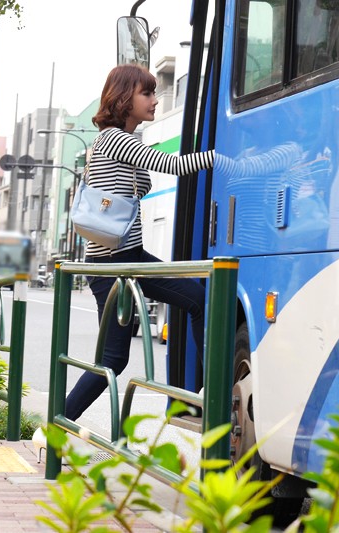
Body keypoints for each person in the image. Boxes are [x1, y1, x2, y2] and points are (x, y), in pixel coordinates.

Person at [64, 64, 216, 421]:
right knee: (113, 360)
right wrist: (220, 158)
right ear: (123, 98)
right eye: (146, 93)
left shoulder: (118, 141)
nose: (155, 100)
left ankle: (198, 394)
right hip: (114, 264)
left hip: (125, 258)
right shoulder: (118, 139)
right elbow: (174, 166)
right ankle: (54, 428)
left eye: (154, 92)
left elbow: (142, 181)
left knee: (196, 299)